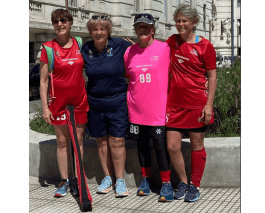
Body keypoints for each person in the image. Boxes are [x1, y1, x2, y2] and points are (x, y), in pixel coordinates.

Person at [166, 4, 217, 202]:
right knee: (172, 146)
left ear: (194, 22)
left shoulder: (205, 46)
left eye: (184, 21)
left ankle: (195, 185)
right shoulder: (171, 41)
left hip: (197, 102)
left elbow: (212, 76)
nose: (180, 24)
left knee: (197, 144)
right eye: (178, 21)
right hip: (174, 104)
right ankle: (184, 182)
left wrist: (209, 105)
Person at [39, 9, 90, 200]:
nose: (60, 24)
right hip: (58, 103)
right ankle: (65, 180)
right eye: (56, 21)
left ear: (70, 23)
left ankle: (78, 180)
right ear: (53, 25)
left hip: (79, 102)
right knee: (62, 142)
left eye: (64, 20)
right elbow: (43, 81)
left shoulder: (79, 43)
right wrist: (45, 107)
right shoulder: (48, 48)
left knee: (78, 142)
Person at [124, 13, 173, 202]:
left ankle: (166, 183)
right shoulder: (129, 52)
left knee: (161, 146)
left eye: (146, 26)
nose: (142, 29)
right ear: (135, 30)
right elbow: (129, 76)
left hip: (159, 110)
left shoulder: (165, 48)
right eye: (139, 27)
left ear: (153, 29)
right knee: (142, 146)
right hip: (137, 110)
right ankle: (146, 180)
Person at [81, 14, 132, 198]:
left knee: (117, 140)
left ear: (108, 30)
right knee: (101, 141)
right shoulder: (85, 48)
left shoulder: (120, 44)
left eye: (103, 28)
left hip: (117, 101)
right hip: (95, 102)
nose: (99, 32)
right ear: (90, 31)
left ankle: (120, 180)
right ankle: (107, 178)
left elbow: (142, 53)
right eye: (95, 29)